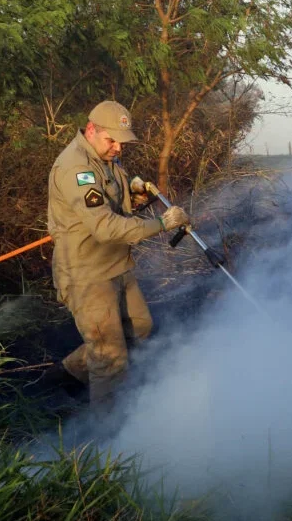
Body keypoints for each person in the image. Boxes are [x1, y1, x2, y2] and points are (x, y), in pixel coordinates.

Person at [41, 100, 189, 411]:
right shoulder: (75, 167)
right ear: (92, 130)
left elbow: (111, 206)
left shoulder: (106, 159)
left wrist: (132, 195)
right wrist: (162, 223)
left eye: (122, 142)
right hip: (86, 274)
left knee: (139, 327)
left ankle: (67, 374)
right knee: (111, 358)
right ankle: (108, 440)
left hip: (116, 265)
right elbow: (105, 227)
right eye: (112, 140)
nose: (118, 148)